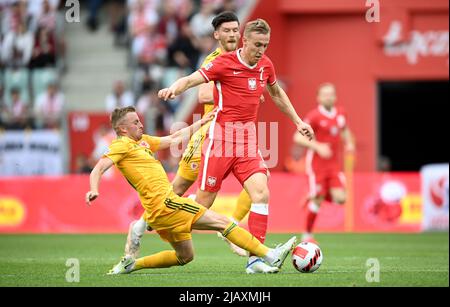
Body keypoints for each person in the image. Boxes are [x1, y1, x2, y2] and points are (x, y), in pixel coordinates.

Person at [158, 18, 314, 274]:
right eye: (257, 45)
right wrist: (173, 89)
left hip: (247, 143)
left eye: (265, 45)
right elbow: (191, 80)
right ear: (245, 41)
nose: (261, 50)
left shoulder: (265, 65)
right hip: (219, 143)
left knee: (261, 193)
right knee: (202, 204)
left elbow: (276, 94)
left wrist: (297, 121)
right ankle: (167, 219)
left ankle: (255, 260)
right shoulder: (222, 62)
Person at [85, 106, 296, 275]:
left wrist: (201, 123)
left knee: (184, 257)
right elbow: (98, 168)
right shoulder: (121, 145)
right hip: (167, 204)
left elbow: (174, 139)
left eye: (139, 120)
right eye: (135, 122)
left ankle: (132, 264)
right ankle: (270, 254)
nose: (141, 125)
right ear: (123, 129)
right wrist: (93, 189)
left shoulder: (143, 142)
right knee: (223, 223)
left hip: (159, 211)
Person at [123, 11, 254, 262]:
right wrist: (239, 93)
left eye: (236, 30)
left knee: (258, 180)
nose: (233, 35)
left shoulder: (243, 59)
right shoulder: (214, 58)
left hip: (235, 134)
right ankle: (139, 227)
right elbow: (204, 95)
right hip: (208, 134)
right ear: (217, 35)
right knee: (178, 189)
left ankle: (232, 226)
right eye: (227, 30)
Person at [293, 83, 355, 244]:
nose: (328, 97)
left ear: (335, 97)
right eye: (325, 94)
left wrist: (349, 143)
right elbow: (297, 137)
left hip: (334, 165)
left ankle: (312, 194)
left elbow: (345, 130)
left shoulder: (341, 114)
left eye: (331, 94)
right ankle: (307, 235)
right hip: (316, 165)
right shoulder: (314, 116)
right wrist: (318, 146)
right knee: (318, 200)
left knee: (341, 199)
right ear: (318, 98)